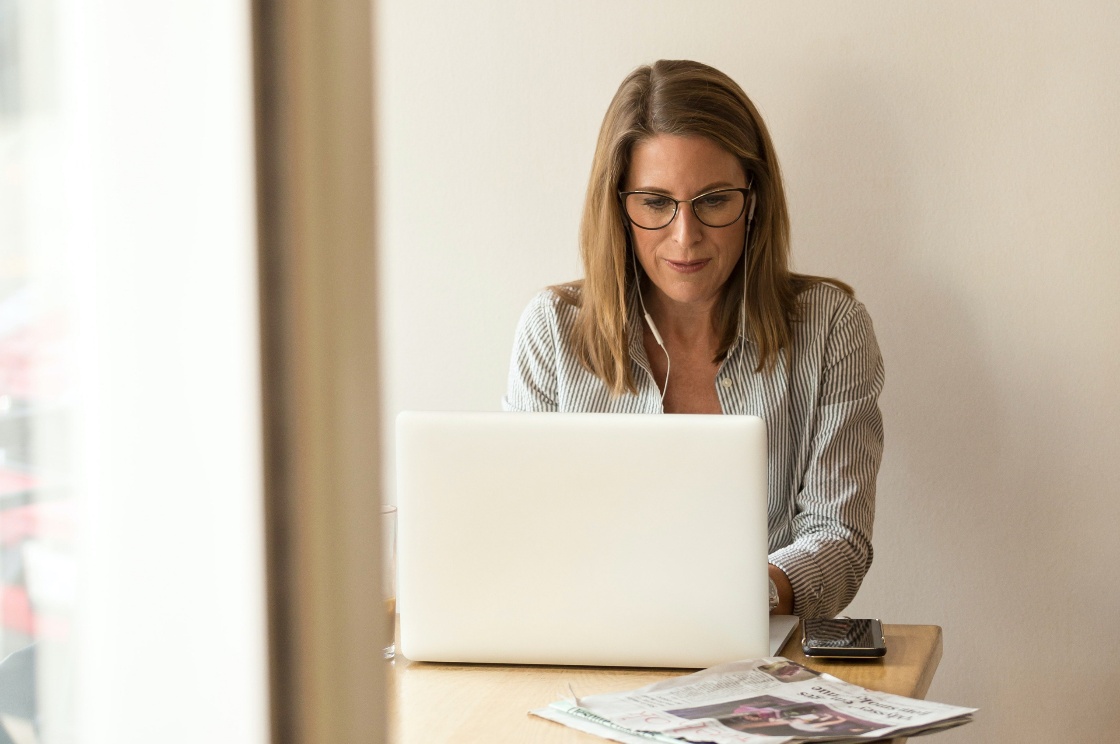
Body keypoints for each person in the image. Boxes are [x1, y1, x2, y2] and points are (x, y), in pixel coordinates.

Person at [502, 59, 884, 619]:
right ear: (619, 207)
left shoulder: (831, 327)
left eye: (713, 200)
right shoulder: (552, 331)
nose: (686, 237)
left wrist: (738, 597)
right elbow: (522, 534)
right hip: (589, 648)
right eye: (656, 203)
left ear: (753, 199)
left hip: (762, 657)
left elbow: (840, 539)